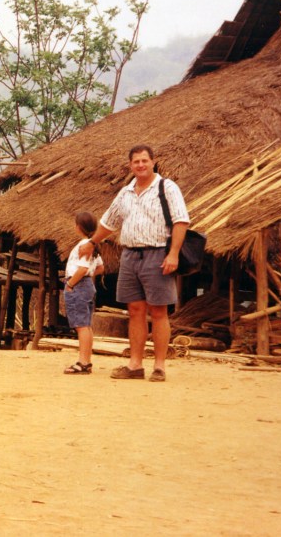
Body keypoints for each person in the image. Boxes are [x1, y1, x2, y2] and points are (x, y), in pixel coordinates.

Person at [79, 145, 190, 382]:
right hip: (130, 255)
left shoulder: (167, 188)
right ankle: (135, 365)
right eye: (136, 162)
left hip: (158, 254)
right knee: (135, 311)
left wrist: (173, 254)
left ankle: (159, 366)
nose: (140, 165)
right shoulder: (126, 193)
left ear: (153, 162)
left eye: (144, 161)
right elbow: (109, 222)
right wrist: (92, 242)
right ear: (130, 165)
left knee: (159, 311)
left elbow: (181, 221)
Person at [62, 212, 105, 375]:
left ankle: (83, 362)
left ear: (78, 227)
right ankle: (86, 360)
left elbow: (83, 268)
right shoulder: (93, 244)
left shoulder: (85, 245)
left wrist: (71, 284)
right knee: (85, 325)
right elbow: (100, 267)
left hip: (78, 284)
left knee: (81, 325)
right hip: (86, 285)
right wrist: (88, 277)